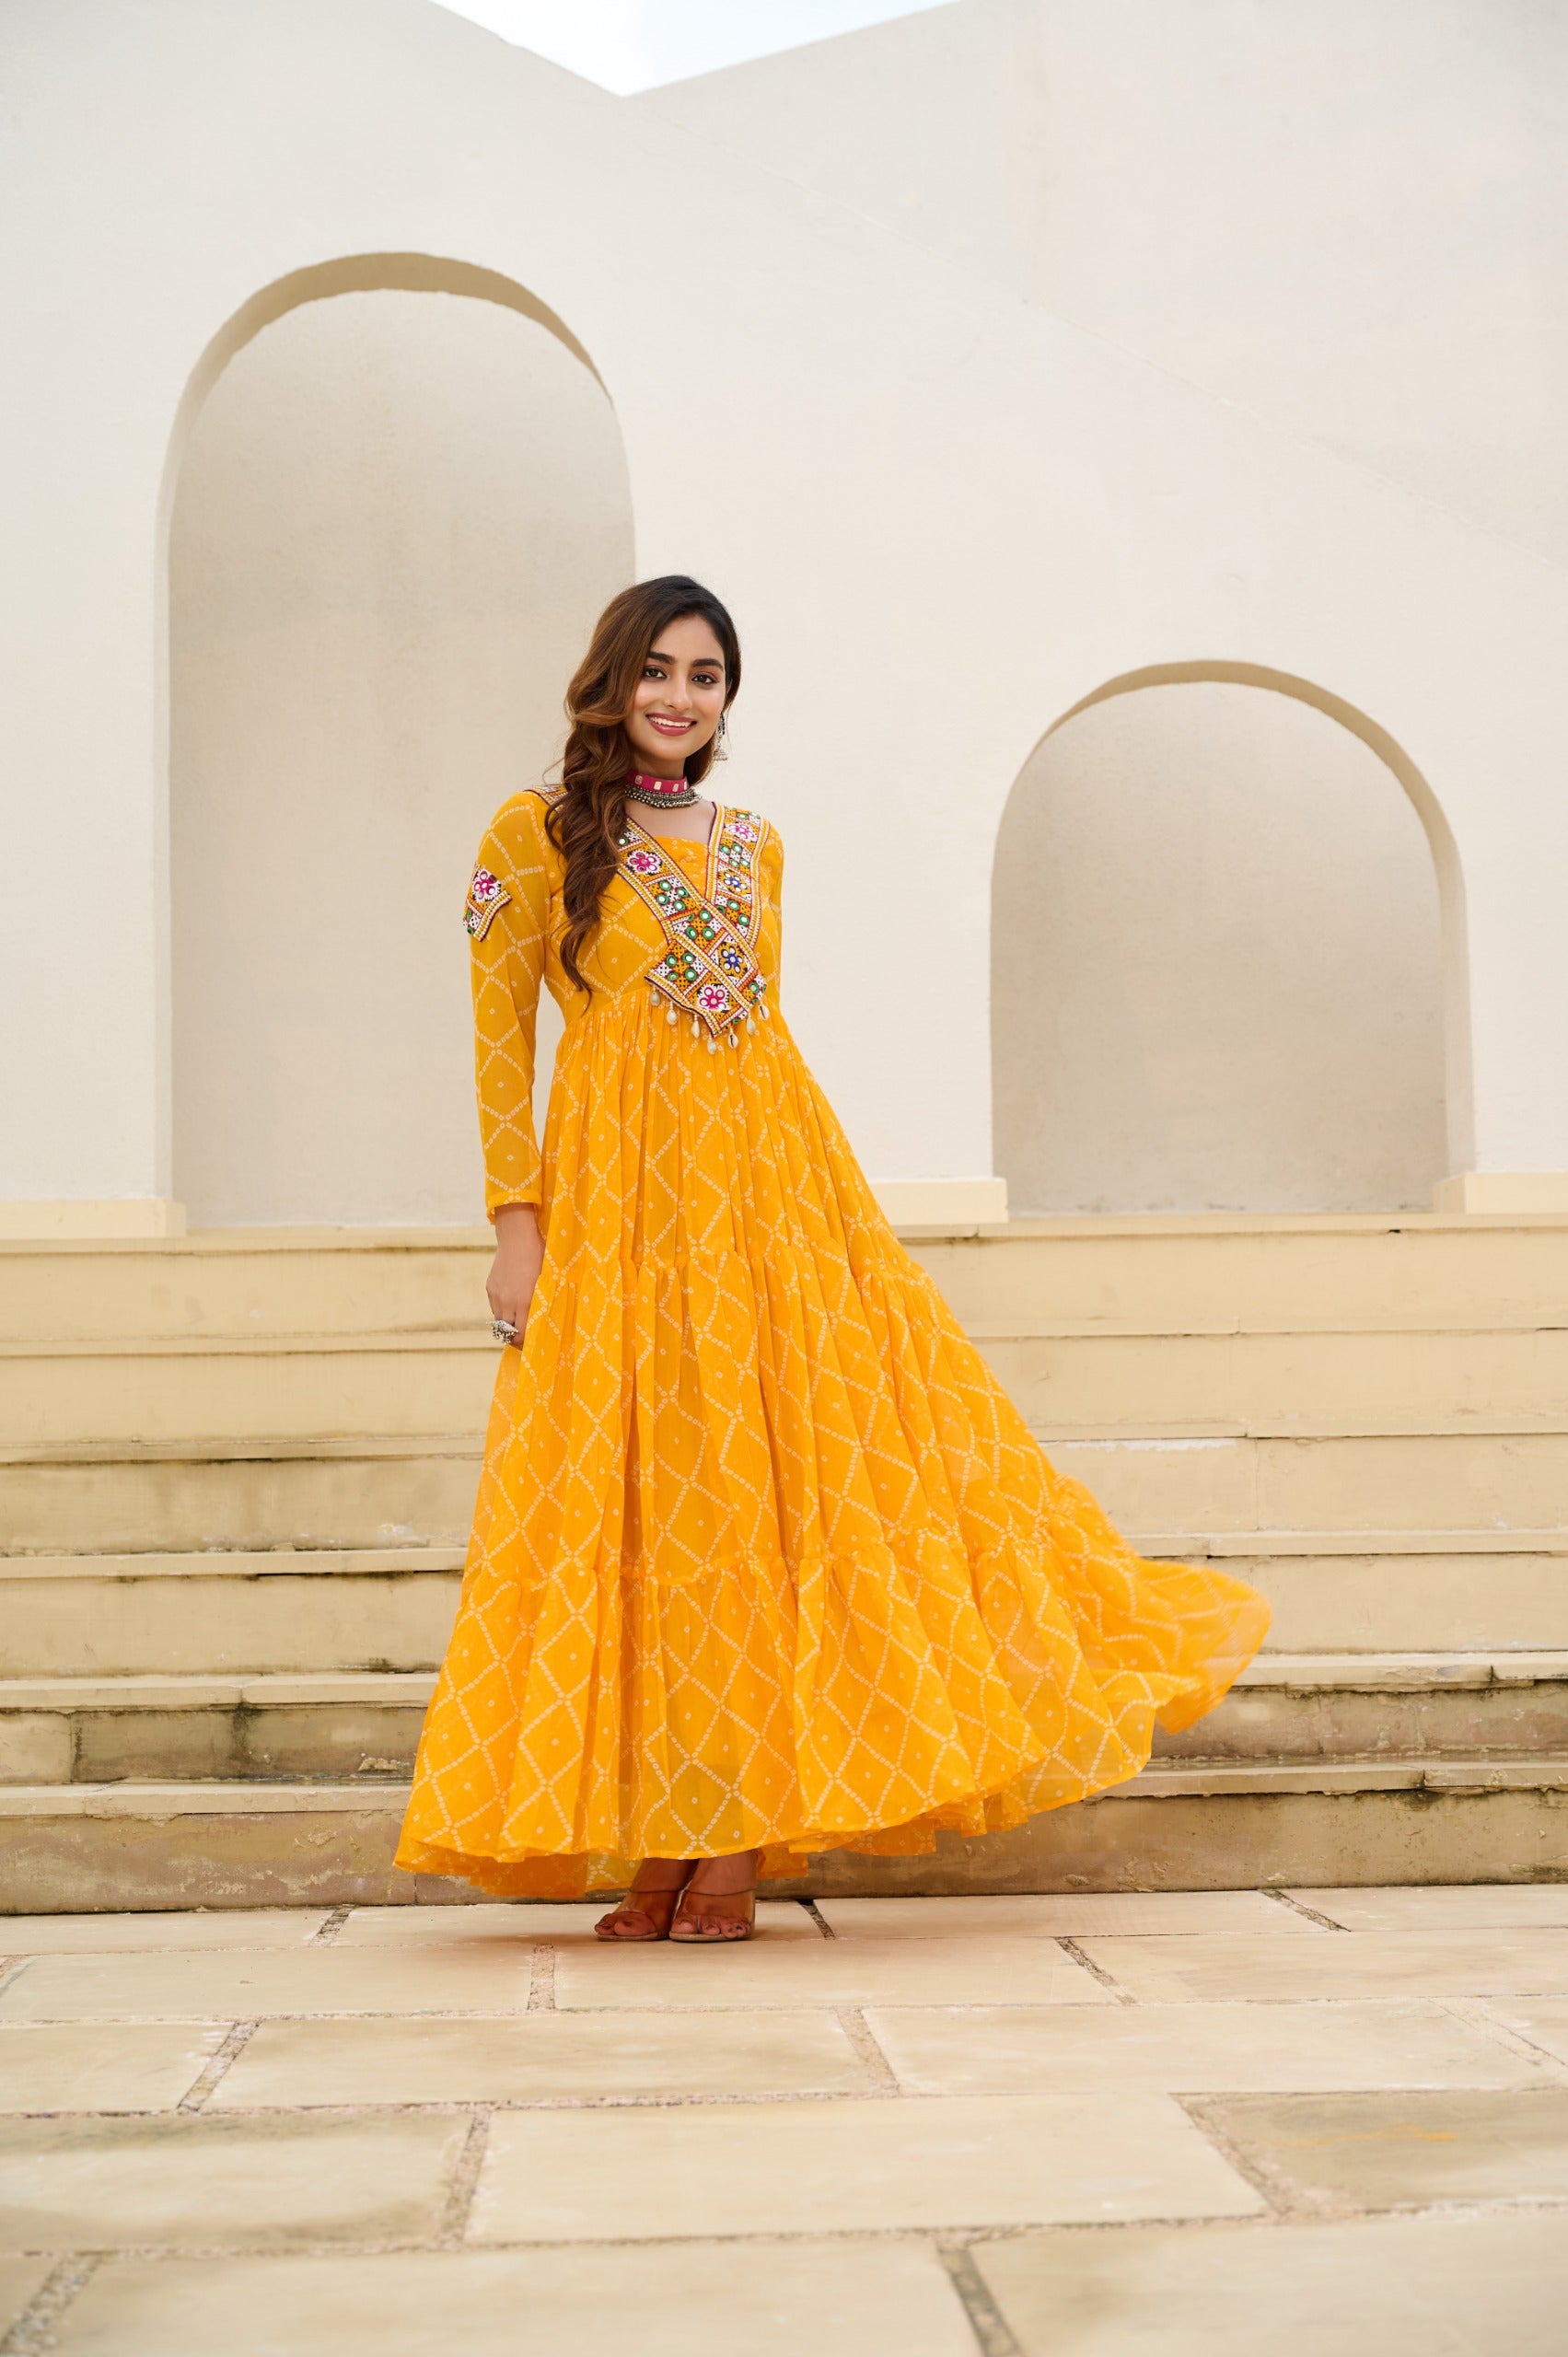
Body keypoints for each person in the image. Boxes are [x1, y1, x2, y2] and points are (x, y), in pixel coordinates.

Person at [395, 575, 1270, 1943]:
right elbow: (499, 1040)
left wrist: (810, 1238)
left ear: (728, 699)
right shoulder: (534, 833)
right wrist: (519, 1224)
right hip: (616, 1221)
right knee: (638, 1514)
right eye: (662, 670)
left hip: (770, 1209)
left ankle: (730, 1840)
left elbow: (752, 1043)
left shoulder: (756, 846)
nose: (683, 697)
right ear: (613, 678)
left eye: (709, 676)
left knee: (754, 1515)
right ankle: (656, 1839)